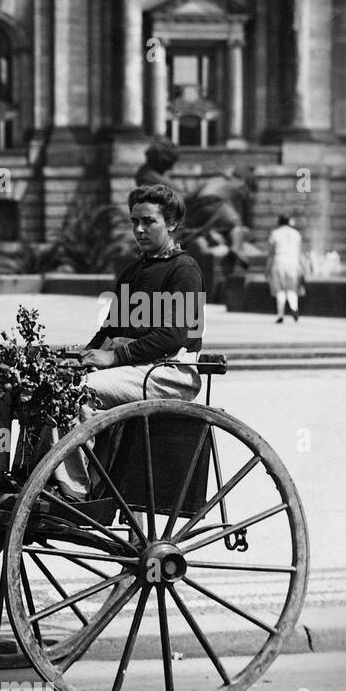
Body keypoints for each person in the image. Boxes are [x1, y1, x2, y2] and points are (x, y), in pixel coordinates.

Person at [54, 184, 205, 499]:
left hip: (168, 372)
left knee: (80, 389)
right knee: (55, 383)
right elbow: (109, 330)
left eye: (149, 221)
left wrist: (115, 357)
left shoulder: (184, 270)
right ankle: (53, 477)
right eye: (134, 221)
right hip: (137, 369)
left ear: (172, 223)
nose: (139, 229)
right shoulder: (133, 272)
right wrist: (83, 356)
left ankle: (77, 489)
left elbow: (175, 334)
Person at [267, 214, 304, 323]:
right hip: (293, 262)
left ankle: (280, 314)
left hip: (279, 261)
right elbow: (300, 251)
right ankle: (294, 307)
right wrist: (302, 267)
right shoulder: (296, 234)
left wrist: (267, 268)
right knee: (292, 289)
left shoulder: (275, 233)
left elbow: (271, 253)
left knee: (280, 290)